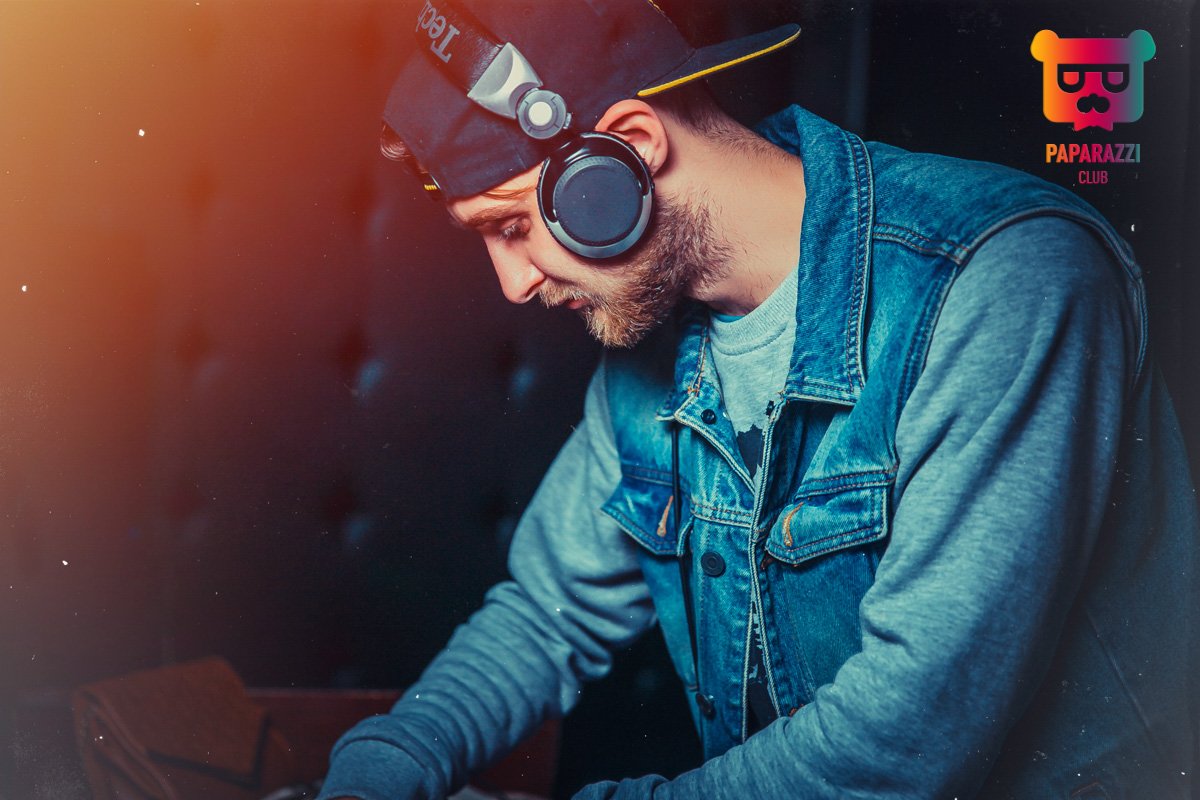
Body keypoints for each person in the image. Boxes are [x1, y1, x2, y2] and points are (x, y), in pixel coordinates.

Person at [319, 1, 1199, 797]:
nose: (512, 285)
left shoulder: (1006, 280)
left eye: (513, 226)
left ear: (631, 145)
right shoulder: (647, 347)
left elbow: (902, 743)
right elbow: (544, 618)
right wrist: (380, 770)